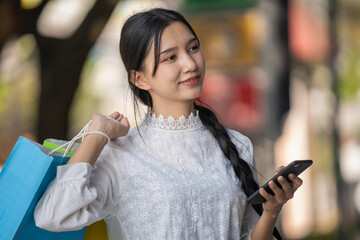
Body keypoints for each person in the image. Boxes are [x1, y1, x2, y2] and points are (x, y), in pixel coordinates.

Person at [34, 8, 303, 240]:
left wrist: (271, 211)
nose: (190, 63)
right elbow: (52, 214)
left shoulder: (237, 144)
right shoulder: (121, 154)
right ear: (139, 79)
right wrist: (96, 135)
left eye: (193, 48)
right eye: (170, 57)